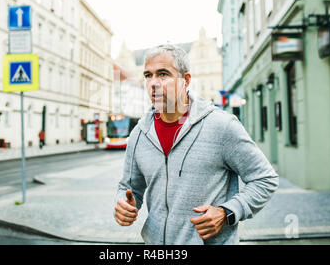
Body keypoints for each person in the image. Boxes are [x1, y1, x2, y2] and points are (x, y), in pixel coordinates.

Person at [114, 44, 279, 245]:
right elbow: (129, 187)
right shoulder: (140, 133)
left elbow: (265, 179)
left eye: (163, 74)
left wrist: (226, 212)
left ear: (186, 80)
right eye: (148, 76)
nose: (153, 83)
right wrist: (124, 202)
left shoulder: (222, 126)